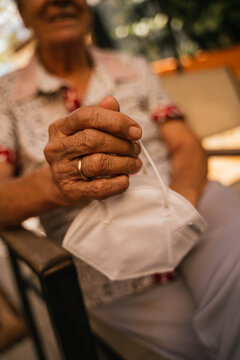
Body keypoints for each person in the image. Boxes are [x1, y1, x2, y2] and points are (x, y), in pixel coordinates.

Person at [0, 1, 240, 359]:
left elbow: (185, 142)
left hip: (193, 211)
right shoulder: (5, 96)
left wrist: (177, 209)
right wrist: (56, 184)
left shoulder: (132, 68)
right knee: (198, 346)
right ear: (21, 12)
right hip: (108, 268)